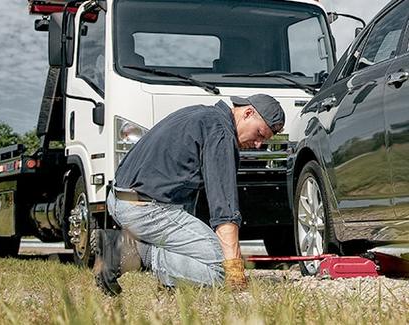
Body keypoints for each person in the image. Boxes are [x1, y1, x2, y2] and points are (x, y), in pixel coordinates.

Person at [94, 94, 285, 295]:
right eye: (259, 134)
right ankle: (127, 252)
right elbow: (224, 211)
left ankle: (170, 279)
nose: (258, 145)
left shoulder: (202, 114)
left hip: (120, 198)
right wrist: (235, 270)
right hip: (145, 210)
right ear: (248, 113)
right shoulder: (221, 133)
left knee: (205, 251)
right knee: (220, 270)